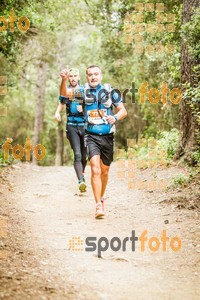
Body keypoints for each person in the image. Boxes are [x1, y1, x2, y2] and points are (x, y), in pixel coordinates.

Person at [84, 65, 127, 219]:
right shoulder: (82, 92)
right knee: (95, 169)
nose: (93, 77)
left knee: (104, 171)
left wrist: (114, 117)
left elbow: (123, 110)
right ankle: (97, 205)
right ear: (87, 77)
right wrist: (64, 79)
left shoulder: (111, 91)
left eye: (96, 74)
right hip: (91, 136)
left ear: (101, 76)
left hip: (107, 136)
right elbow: (64, 95)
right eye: (90, 75)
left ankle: (101, 198)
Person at [55, 67, 87, 192]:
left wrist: (83, 110)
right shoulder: (67, 90)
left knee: (85, 155)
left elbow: (91, 105)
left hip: (84, 126)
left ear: (79, 77)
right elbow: (62, 101)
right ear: (68, 78)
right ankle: (81, 181)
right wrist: (57, 112)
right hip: (72, 125)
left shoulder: (84, 90)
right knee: (78, 154)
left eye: (75, 76)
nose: (73, 78)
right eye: (71, 76)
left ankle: (82, 173)